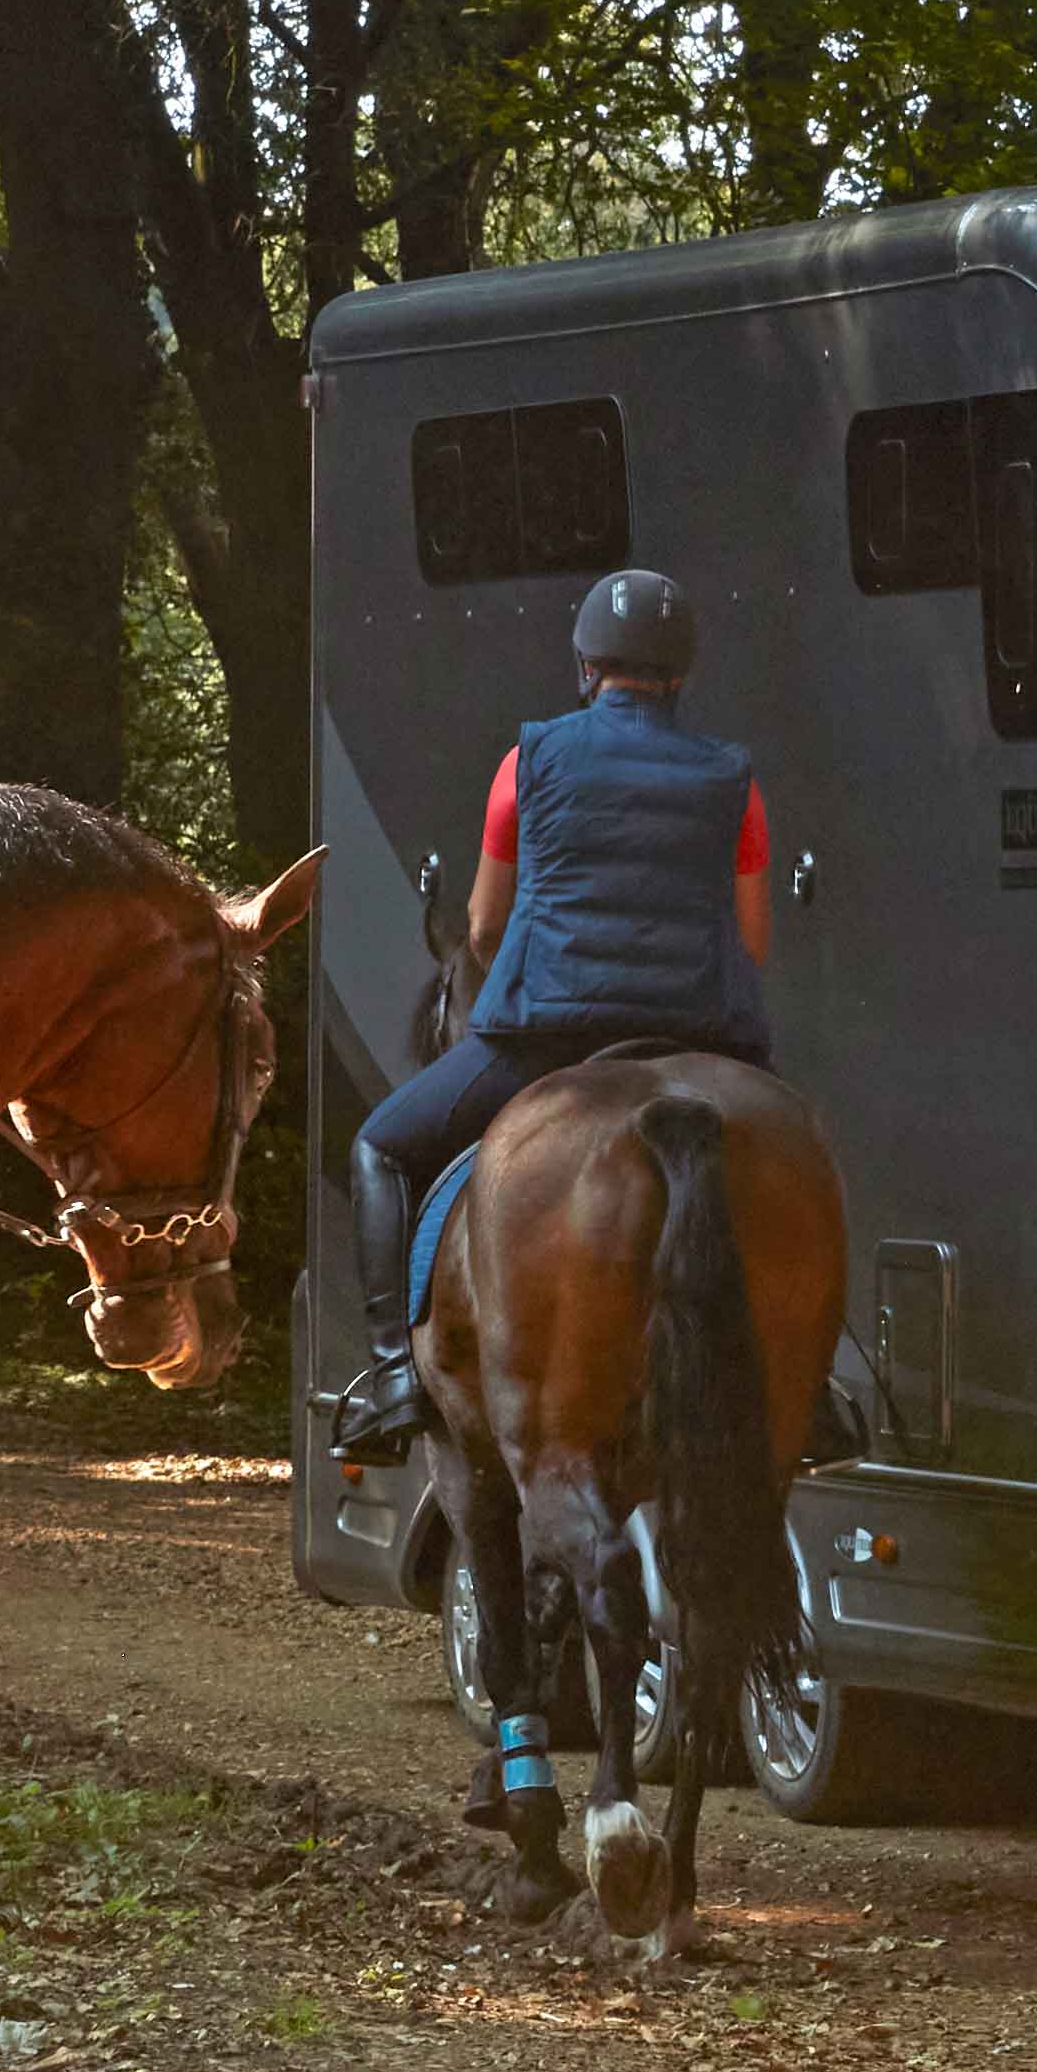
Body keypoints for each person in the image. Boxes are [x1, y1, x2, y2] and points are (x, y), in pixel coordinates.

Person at [328, 567, 774, 1467]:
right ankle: (818, 1391)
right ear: (680, 674)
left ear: (584, 667)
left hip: (547, 1039)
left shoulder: (527, 762)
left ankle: (390, 1379)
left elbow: (487, 925)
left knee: (379, 1145)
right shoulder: (734, 779)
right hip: (700, 1040)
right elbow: (752, 936)